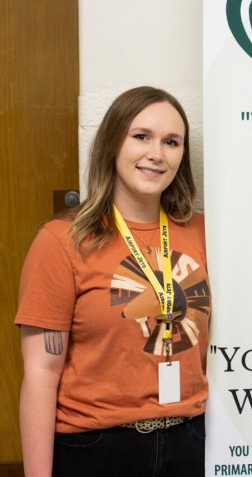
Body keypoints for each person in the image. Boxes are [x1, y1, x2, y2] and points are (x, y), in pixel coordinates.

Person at [16, 87, 210, 477]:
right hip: (96, 447)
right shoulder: (62, 241)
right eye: (141, 137)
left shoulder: (204, 233)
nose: (157, 153)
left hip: (191, 442)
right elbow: (41, 374)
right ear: (112, 143)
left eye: (171, 142)